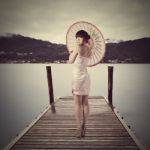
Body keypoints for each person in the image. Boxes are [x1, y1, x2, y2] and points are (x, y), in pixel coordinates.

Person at [67, 30, 93, 138]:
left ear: (84, 39)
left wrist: (71, 54)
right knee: (85, 103)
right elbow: (84, 58)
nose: (77, 40)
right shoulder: (89, 50)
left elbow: (70, 61)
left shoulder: (78, 48)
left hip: (78, 78)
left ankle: (79, 127)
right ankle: (84, 126)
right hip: (86, 77)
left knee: (77, 103)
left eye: (80, 38)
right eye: (76, 38)